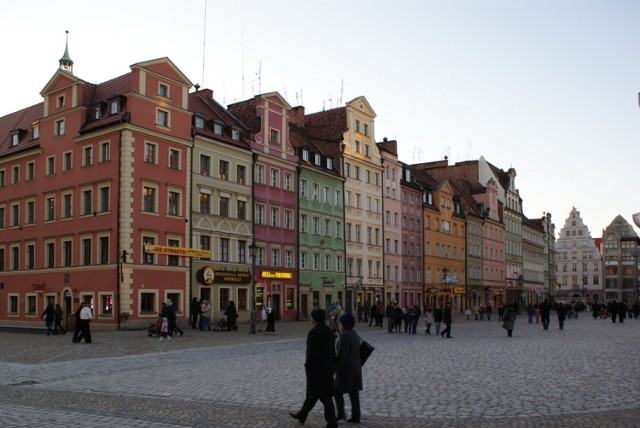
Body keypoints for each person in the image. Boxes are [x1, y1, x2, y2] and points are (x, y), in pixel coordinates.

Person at [289, 309, 338, 428]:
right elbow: (333, 352)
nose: (311, 319)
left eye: (312, 317)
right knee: (314, 395)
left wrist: (308, 367)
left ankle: (332, 422)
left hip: (316, 370)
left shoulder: (314, 332)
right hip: (327, 368)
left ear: (315, 318)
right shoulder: (328, 331)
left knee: (321, 396)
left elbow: (311, 353)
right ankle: (302, 414)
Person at [334, 313, 363, 424]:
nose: (339, 324)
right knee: (354, 393)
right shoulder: (354, 334)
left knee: (337, 391)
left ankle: (341, 413)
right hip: (356, 367)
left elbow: (342, 356)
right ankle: (356, 416)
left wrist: (335, 368)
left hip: (346, 369)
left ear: (344, 324)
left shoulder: (344, 336)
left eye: (340, 322)